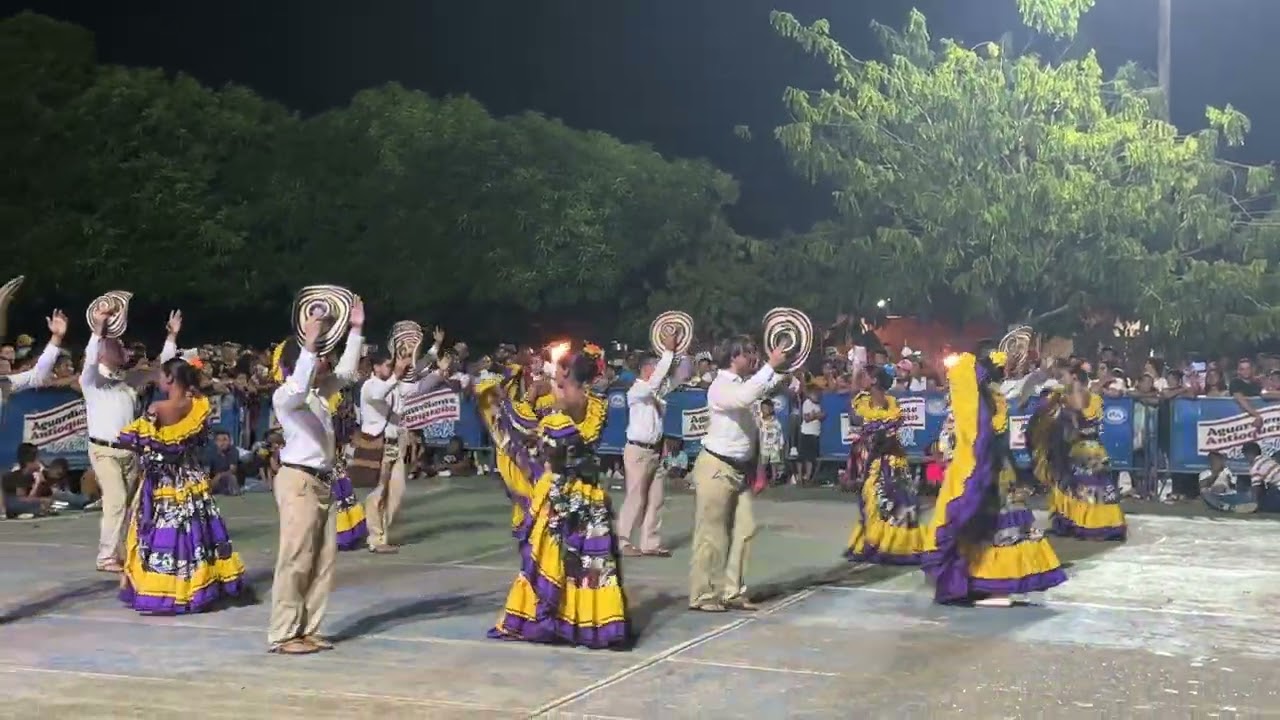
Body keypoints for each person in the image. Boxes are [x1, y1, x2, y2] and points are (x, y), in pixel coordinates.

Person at [473, 342, 627, 648]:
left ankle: (548, 620)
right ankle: (587, 623)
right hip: (588, 493)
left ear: (568, 375)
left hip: (558, 493)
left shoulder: (560, 409)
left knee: (551, 557)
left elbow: (532, 432)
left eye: (557, 374)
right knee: (586, 561)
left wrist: (507, 405)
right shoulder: (596, 404)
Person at [921, 349, 1067, 607]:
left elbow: (960, 438)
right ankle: (990, 584)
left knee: (986, 526)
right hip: (994, 469)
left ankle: (993, 586)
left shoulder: (979, 403)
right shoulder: (989, 401)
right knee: (992, 527)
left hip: (984, 472)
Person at [267, 289, 364, 655]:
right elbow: (299, 382)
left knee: (323, 560)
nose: (325, 359)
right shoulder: (286, 397)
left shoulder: (321, 393)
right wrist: (309, 341)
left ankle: (307, 628)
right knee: (296, 557)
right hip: (299, 481)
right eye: (319, 354)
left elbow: (349, 372)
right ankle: (282, 634)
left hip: (323, 481)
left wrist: (355, 330)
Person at [117, 358, 246, 614]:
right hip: (191, 477)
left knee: (164, 532)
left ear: (169, 380)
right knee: (196, 530)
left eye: (162, 376)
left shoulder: (158, 408)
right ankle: (201, 584)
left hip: (164, 481)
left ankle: (168, 590)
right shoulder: (198, 405)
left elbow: (129, 438)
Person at [687, 335, 787, 613]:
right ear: (733, 357)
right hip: (717, 466)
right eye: (748, 354)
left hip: (739, 468)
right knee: (712, 533)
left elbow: (764, 387)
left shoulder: (745, 384)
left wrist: (780, 367)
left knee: (745, 529)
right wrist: (770, 366)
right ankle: (703, 594)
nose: (753, 358)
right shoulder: (720, 385)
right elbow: (744, 399)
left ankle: (732, 591)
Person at [81, 301, 181, 573]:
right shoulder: (91, 380)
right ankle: (105, 556)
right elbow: (90, 360)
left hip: (130, 451)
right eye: (117, 345)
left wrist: (171, 336)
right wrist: (99, 330)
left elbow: (163, 370)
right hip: (103, 450)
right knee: (115, 499)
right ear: (102, 352)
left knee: (128, 504)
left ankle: (123, 551)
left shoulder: (129, 379)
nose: (123, 348)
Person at [359, 348, 448, 553]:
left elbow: (419, 388)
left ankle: (382, 531)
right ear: (376, 367)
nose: (392, 368)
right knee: (378, 492)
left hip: (396, 442)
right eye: (388, 365)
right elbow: (380, 395)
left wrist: (439, 373)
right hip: (377, 444)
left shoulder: (396, 385)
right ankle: (376, 538)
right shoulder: (369, 387)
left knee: (397, 493)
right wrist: (397, 376)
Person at [1035, 370, 1127, 541]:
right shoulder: (1091, 398)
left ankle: (1091, 524)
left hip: (1082, 451)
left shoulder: (1075, 398)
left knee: (1082, 486)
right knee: (1087, 486)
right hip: (1090, 449)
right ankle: (1096, 522)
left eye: (1065, 376)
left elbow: (1074, 424)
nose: (1062, 380)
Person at [845, 369, 925, 565]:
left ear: (874, 380)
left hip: (888, 460)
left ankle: (892, 545)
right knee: (873, 501)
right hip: (874, 458)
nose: (862, 379)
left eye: (866, 375)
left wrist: (871, 449)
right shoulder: (863, 402)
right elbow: (855, 415)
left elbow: (883, 438)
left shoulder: (890, 406)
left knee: (889, 502)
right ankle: (878, 541)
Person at [617, 329, 676, 558]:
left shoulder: (656, 396)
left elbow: (670, 381)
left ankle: (650, 542)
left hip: (655, 450)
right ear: (647, 370)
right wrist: (668, 353)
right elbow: (655, 383)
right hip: (638, 451)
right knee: (635, 496)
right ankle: (622, 541)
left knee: (656, 498)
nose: (658, 373)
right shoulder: (637, 390)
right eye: (655, 368)